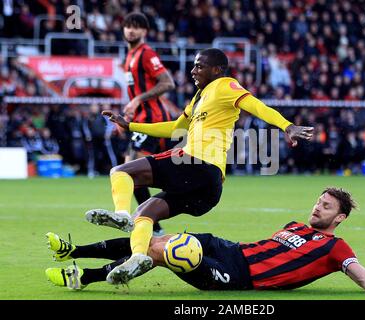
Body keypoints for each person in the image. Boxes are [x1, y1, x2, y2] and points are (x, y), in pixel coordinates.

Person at [84, 47, 314, 285]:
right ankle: (139, 257)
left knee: (121, 171)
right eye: (194, 65)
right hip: (208, 189)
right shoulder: (198, 98)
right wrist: (131, 126)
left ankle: (121, 215)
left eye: (199, 66)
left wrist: (287, 126)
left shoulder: (226, 85)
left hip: (197, 163)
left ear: (217, 70)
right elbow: (175, 128)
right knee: (145, 213)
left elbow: (257, 106)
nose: (193, 71)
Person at [45, 187, 365, 295]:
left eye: (326, 206)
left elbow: (362, 276)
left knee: (163, 250)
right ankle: (73, 252)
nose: (317, 208)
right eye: (318, 201)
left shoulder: (336, 248)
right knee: (156, 241)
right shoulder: (295, 225)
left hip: (238, 277)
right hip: (230, 249)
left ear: (340, 218)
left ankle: (87, 275)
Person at [121, 12, 177, 235]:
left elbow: (168, 83)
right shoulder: (130, 55)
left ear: (144, 31)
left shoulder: (146, 53)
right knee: (131, 171)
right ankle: (152, 224)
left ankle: (143, 221)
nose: (130, 30)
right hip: (141, 119)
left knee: (130, 171)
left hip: (153, 120)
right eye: (127, 26)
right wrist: (129, 114)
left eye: (136, 27)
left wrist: (137, 100)